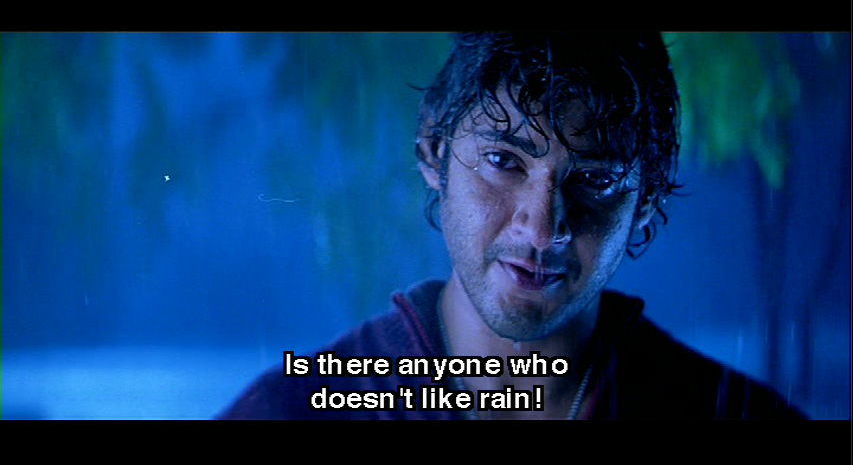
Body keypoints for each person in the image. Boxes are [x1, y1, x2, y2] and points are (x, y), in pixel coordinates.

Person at [218, 32, 806, 419]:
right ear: (434, 149)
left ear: (646, 198)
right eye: (503, 161)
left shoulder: (732, 415)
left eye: (595, 180)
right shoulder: (291, 411)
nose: (541, 229)